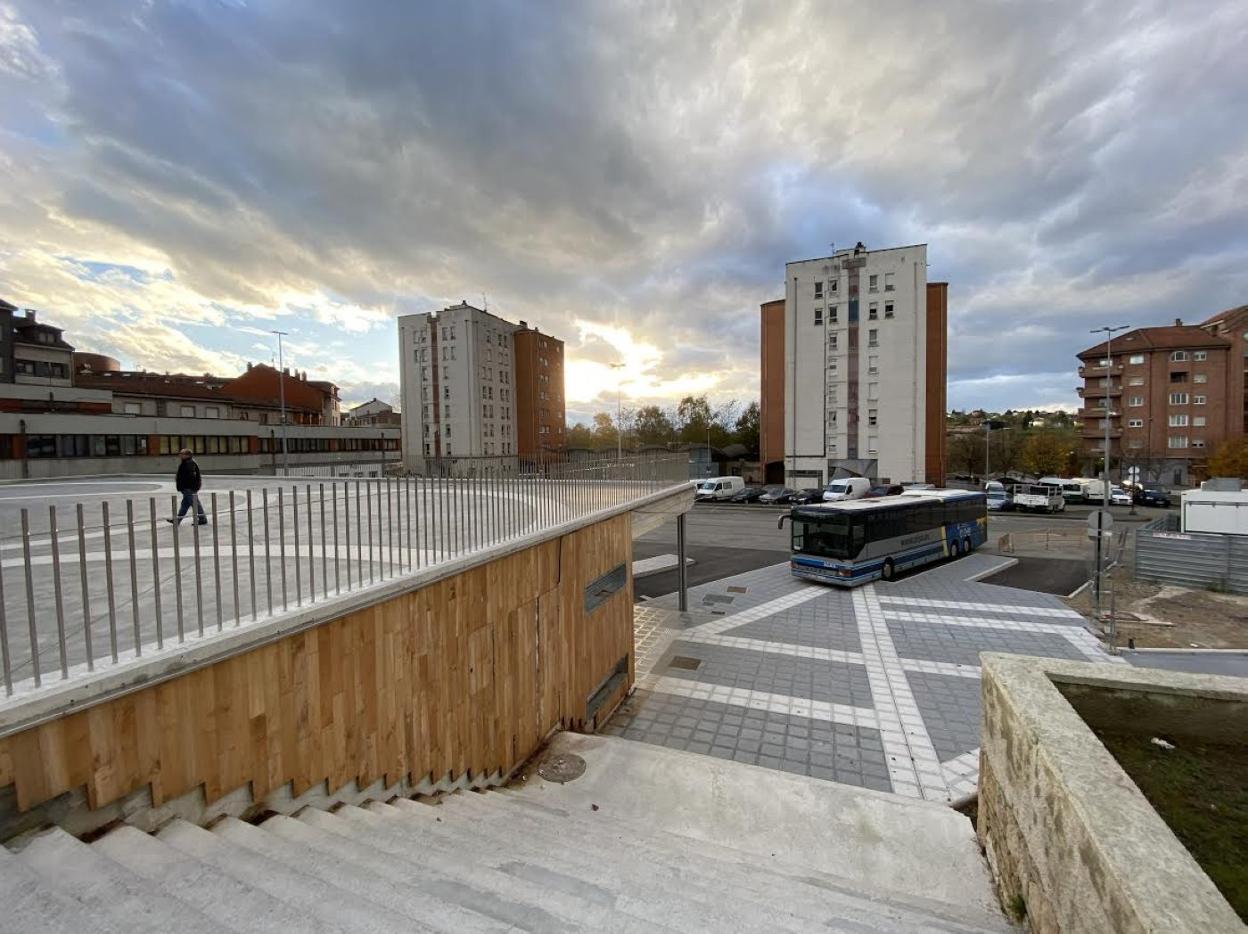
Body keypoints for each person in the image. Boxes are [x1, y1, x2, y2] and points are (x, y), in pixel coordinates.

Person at [167, 448, 208, 525]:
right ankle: (178, 520)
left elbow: (191, 476)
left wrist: (188, 486)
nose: (180, 455)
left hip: (188, 488)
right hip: (187, 488)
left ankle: (202, 519)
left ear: (187, 455)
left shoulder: (189, 463)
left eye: (182, 454)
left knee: (195, 503)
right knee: (185, 505)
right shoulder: (187, 462)